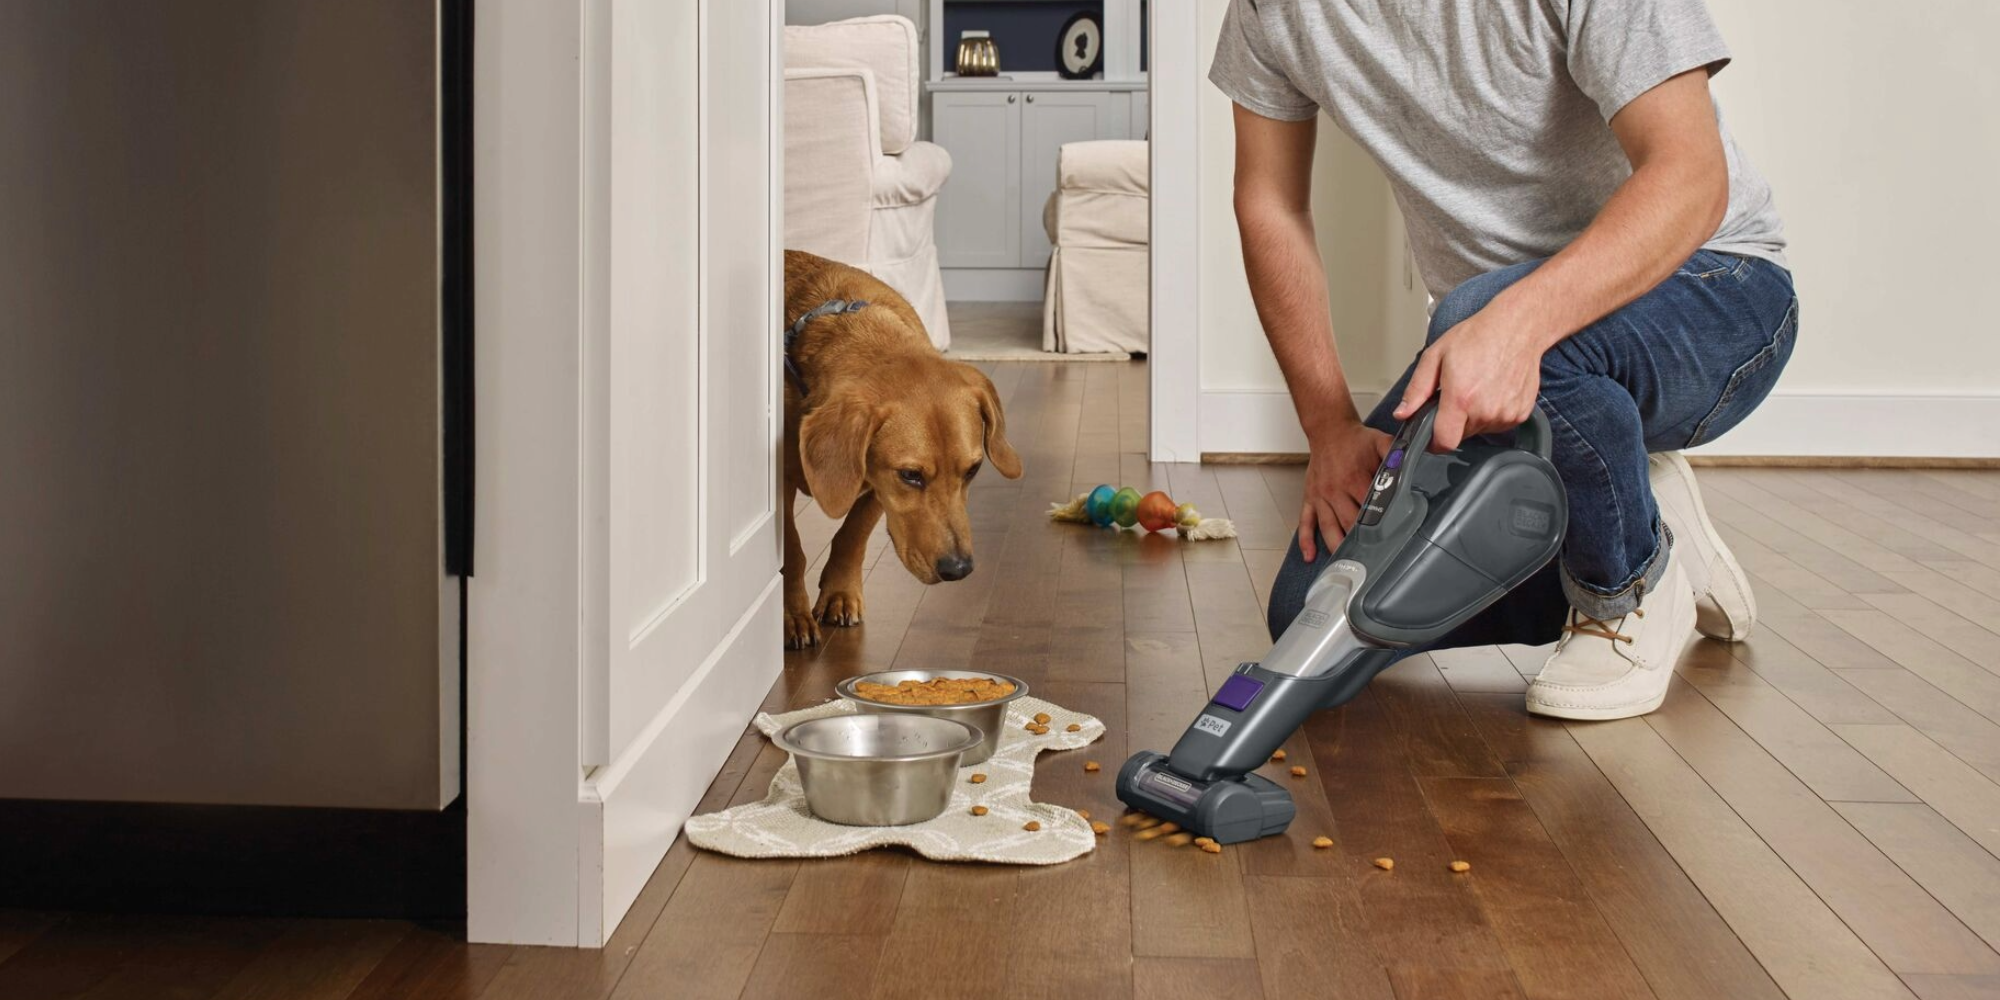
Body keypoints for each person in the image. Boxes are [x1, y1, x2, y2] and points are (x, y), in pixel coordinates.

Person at [1219, 0, 1798, 720]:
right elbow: (1270, 202)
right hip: (1495, 338)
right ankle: (1647, 525)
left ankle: (1627, 591)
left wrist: (1515, 324)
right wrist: (1328, 427)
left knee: (1476, 317)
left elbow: (1691, 176)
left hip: (1717, 291)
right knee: (1313, 610)